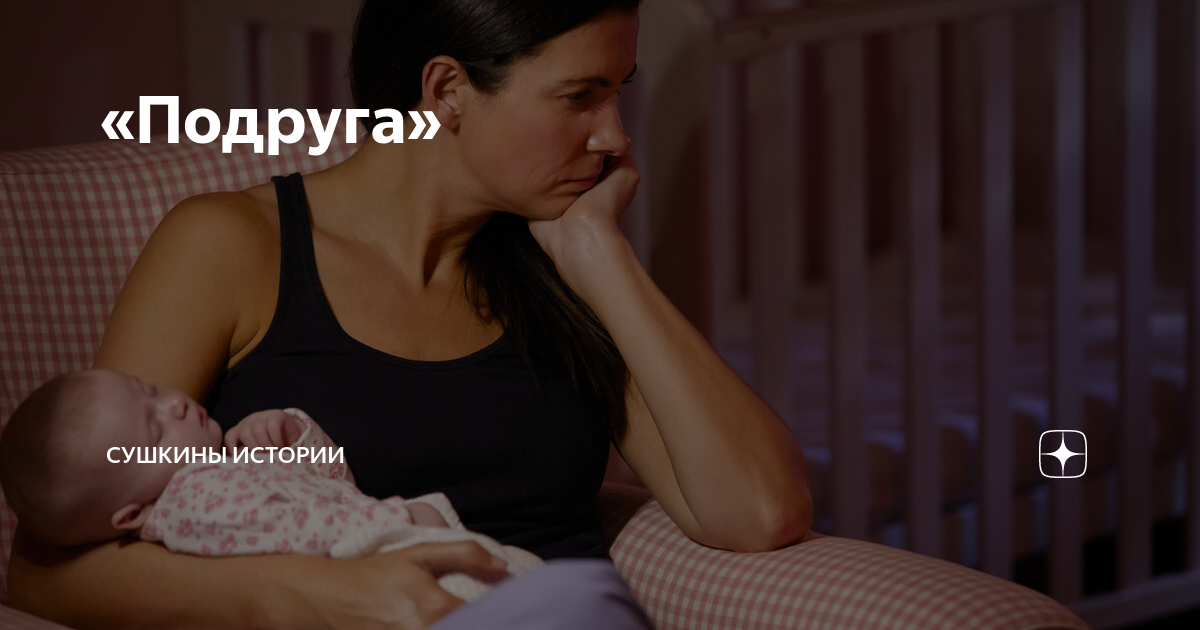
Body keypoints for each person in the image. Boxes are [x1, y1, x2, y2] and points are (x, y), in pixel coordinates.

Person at [6, 0, 813, 628]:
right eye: (580, 97)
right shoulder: (229, 247)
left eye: (617, 92)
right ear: (446, 90)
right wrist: (309, 597)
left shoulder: (564, 268)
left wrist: (604, 258)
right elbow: (49, 570)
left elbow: (760, 512)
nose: (614, 138)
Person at [0, 369, 543, 603]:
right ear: (132, 513)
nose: (175, 405)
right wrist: (398, 520)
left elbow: (336, 484)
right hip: (393, 568)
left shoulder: (220, 473)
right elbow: (303, 534)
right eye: (155, 430)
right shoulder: (196, 504)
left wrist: (292, 435)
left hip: (396, 550)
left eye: (151, 391)